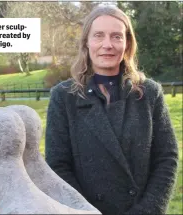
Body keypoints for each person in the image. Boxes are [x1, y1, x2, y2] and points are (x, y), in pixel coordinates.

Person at [45, 5, 178, 215]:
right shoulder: (64, 96)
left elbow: (166, 158)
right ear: (86, 43)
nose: (107, 44)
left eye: (116, 36)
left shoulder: (150, 94)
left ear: (127, 44)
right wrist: (84, 211)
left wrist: (148, 210)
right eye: (99, 35)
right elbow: (57, 165)